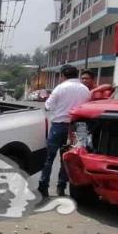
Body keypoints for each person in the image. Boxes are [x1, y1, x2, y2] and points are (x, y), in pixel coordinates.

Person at [38, 65, 91, 197]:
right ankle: (62, 187)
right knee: (70, 158)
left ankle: (43, 187)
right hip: (80, 127)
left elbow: (48, 106)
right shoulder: (85, 90)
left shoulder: (60, 88)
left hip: (59, 125)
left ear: (63, 76)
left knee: (49, 157)